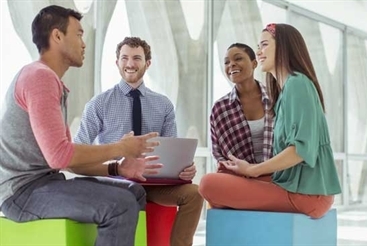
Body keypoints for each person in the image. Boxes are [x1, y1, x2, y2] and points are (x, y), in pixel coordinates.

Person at [0, 5, 161, 246]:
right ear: (57, 36)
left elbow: (68, 159)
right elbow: (60, 157)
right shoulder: (39, 78)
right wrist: (122, 148)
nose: (84, 44)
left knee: (133, 192)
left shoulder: (50, 81)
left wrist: (117, 169)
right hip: (22, 193)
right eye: (78, 34)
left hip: (45, 184)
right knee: (120, 205)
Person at [199, 23, 342, 219]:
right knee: (222, 179)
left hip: (307, 194)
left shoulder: (298, 84)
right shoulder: (284, 93)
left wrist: (253, 170)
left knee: (208, 184)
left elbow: (300, 150)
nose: (259, 51)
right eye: (258, 46)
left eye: (264, 45)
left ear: (283, 46)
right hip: (292, 185)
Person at [74, 36, 203, 246]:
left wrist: (184, 169)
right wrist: (116, 158)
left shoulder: (163, 105)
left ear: (147, 63)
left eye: (137, 58)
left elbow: (172, 152)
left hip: (152, 183)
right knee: (131, 194)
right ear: (117, 63)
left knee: (195, 194)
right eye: (124, 58)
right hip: (116, 181)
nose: (130, 63)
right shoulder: (98, 104)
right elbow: (78, 150)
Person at [210, 43, 274, 173]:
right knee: (208, 182)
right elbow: (219, 154)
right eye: (226, 62)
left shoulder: (276, 98)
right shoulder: (220, 108)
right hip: (240, 177)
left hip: (278, 175)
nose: (231, 64)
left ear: (254, 63)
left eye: (238, 58)